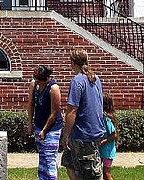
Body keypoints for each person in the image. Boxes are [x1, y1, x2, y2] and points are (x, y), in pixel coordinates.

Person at [61, 49, 104, 180]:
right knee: (68, 163)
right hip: (93, 132)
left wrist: (65, 135)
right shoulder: (96, 79)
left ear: (73, 63)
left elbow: (72, 110)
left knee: (91, 174)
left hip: (83, 136)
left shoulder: (77, 81)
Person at [27, 64, 63, 180]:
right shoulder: (34, 85)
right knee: (42, 158)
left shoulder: (53, 88)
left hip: (52, 128)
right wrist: (30, 123)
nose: (37, 82)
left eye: (39, 80)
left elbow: (54, 113)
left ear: (47, 78)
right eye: (36, 79)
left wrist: (44, 130)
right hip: (38, 124)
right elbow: (31, 104)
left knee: (50, 159)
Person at [98, 91, 118, 180]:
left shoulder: (107, 119)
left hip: (107, 151)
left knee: (106, 173)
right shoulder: (101, 117)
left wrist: (103, 141)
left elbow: (114, 134)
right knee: (98, 172)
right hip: (101, 150)